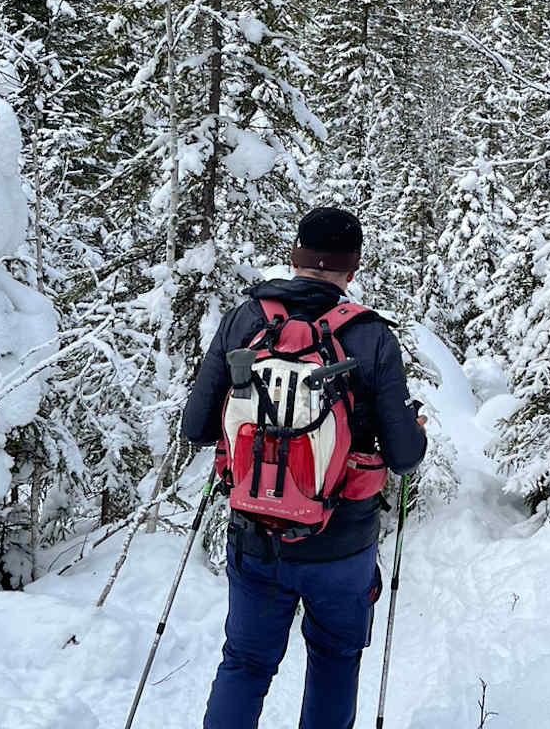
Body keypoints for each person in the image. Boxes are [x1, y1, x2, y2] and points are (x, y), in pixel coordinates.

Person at [182, 206, 428, 729]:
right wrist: (414, 427)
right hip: (342, 544)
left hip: (255, 531)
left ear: (295, 256)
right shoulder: (371, 336)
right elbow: (405, 456)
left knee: (245, 664)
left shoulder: (245, 319)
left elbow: (196, 427)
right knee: (335, 660)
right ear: (352, 269)